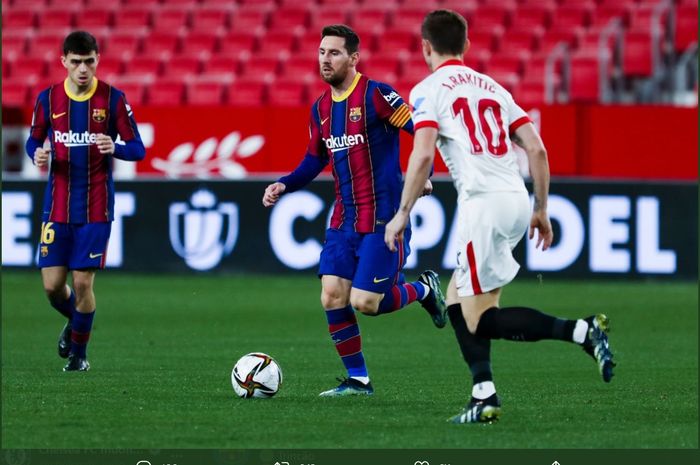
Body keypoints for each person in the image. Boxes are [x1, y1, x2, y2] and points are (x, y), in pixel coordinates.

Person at [384, 10, 615, 422]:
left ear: (425, 47)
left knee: (479, 318)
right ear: (467, 46)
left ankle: (580, 332)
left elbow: (422, 154)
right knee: (459, 298)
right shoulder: (493, 87)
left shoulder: (427, 89)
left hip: (483, 205)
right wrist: (541, 209)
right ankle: (483, 392)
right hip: (516, 199)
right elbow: (537, 149)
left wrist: (403, 212)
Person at [262, 25, 447, 397]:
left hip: (384, 220)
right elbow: (314, 159)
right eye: (321, 52)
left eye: (333, 53)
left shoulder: (378, 96)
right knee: (331, 295)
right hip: (344, 221)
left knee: (367, 303)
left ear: (353, 58)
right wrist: (285, 183)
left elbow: (422, 131)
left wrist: (422, 173)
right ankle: (358, 380)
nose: (325, 60)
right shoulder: (321, 109)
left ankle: (423, 290)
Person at [25, 31, 146, 372]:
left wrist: (116, 148)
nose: (82, 69)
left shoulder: (113, 99)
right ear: (63, 61)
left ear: (97, 61)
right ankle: (80, 322)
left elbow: (138, 148)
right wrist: (39, 153)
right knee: (52, 287)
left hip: (96, 208)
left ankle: (78, 356)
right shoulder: (48, 99)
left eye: (89, 61)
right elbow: (32, 141)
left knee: (81, 283)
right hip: (57, 206)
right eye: (75, 62)